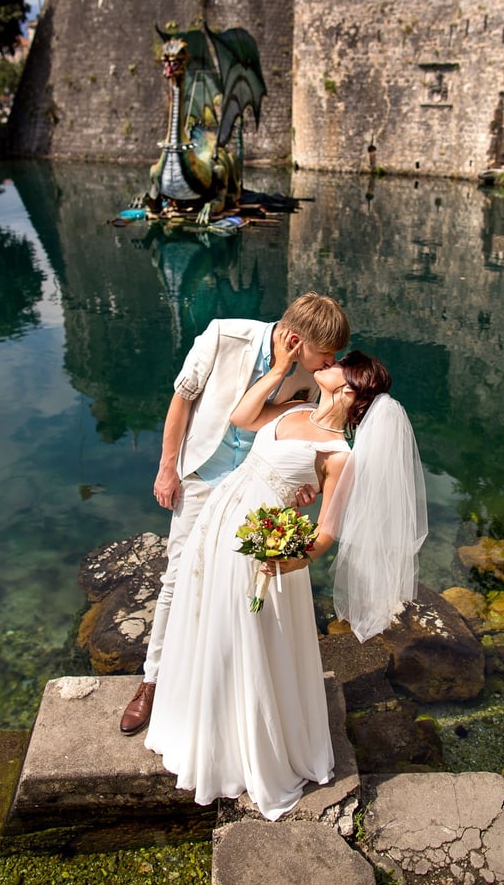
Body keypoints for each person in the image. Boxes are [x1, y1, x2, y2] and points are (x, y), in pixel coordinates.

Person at [144, 338, 428, 821]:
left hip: (258, 548)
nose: (331, 364)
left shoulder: (339, 455)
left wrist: (293, 559)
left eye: (342, 367)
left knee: (238, 640)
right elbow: (241, 417)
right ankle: (195, 725)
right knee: (204, 621)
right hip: (220, 521)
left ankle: (241, 748)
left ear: (352, 390)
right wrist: (277, 368)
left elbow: (329, 530)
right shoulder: (294, 406)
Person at [119, 292, 351, 735]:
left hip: (255, 490)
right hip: (204, 476)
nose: (332, 362)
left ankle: (226, 689)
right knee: (178, 576)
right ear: (296, 339)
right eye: (327, 352)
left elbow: (294, 431)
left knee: (242, 587)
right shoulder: (224, 335)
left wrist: (304, 483)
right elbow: (181, 401)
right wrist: (168, 467)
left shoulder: (313, 373)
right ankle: (152, 683)